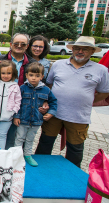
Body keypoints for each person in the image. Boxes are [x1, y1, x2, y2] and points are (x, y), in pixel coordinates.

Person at [35, 36, 109, 168]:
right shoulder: (58, 65)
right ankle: (40, 170)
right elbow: (49, 85)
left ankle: (72, 173)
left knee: (75, 148)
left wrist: (87, 100)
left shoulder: (101, 70)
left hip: (79, 117)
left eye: (85, 49)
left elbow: (104, 92)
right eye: (77, 48)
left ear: (92, 51)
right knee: (45, 143)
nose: (80, 51)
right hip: (54, 113)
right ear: (72, 49)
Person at [14, 62, 57, 167]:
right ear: (27, 75)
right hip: (23, 120)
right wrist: (16, 116)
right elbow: (17, 103)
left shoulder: (46, 90)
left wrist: (50, 113)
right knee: (19, 138)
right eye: (31, 75)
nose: (34, 78)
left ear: (42, 76)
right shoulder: (22, 88)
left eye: (37, 76)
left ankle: (27, 155)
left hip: (36, 121)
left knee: (30, 139)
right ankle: (15, 156)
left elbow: (53, 102)